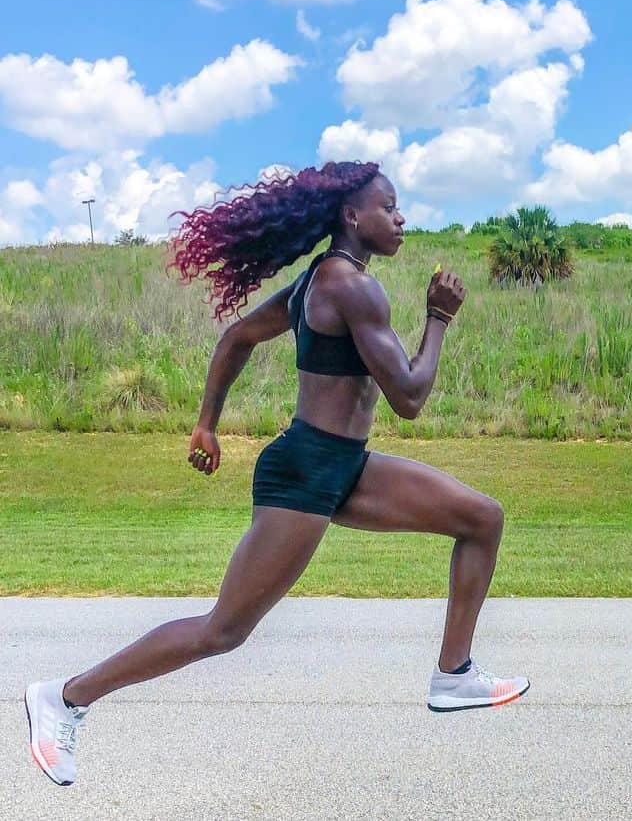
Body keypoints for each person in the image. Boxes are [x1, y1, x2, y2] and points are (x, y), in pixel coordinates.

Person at [25, 160, 529, 787]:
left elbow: (237, 337)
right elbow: (408, 395)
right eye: (389, 207)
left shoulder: (318, 280)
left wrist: (206, 423)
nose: (401, 219)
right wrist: (439, 319)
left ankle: (453, 675)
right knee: (223, 630)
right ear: (352, 216)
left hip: (345, 466)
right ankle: (65, 698)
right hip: (305, 472)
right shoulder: (350, 286)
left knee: (482, 518)